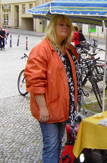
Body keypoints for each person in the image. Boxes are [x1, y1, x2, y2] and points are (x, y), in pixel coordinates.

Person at [24, 14, 82, 163]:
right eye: (61, 24)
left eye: (68, 25)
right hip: (49, 108)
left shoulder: (67, 48)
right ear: (52, 27)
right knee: (51, 145)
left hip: (64, 106)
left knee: (58, 144)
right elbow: (35, 81)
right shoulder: (41, 49)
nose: (65, 27)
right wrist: (42, 108)